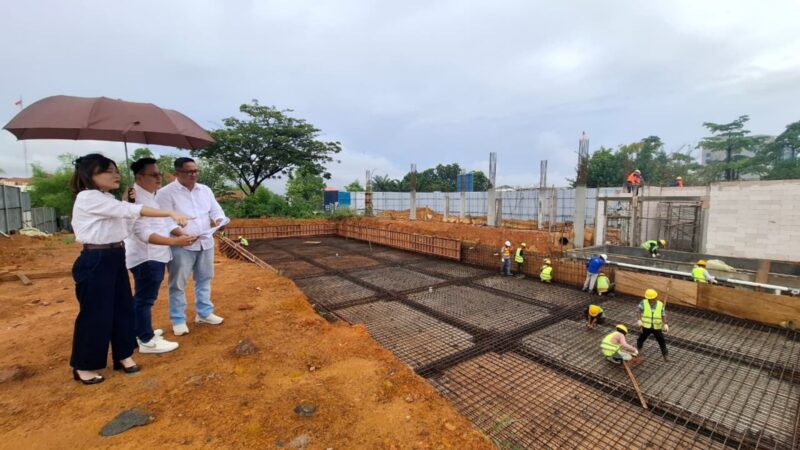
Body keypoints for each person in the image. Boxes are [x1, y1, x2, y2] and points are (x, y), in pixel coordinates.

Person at [69, 154, 189, 384]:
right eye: (108, 171)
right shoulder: (88, 197)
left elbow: (126, 225)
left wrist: (128, 205)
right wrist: (169, 212)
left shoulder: (109, 199)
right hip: (96, 258)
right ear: (90, 175)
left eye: (116, 170)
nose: (116, 175)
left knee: (122, 308)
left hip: (115, 255)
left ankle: (123, 355)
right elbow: (132, 212)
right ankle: (84, 365)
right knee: (96, 313)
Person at [125, 158, 197, 354]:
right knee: (145, 299)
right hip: (147, 257)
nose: (159, 178)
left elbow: (160, 225)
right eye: (153, 175)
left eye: (159, 174)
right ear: (139, 177)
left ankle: (141, 331)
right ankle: (146, 340)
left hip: (155, 256)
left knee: (145, 297)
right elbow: (143, 233)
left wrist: (177, 233)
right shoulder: (136, 200)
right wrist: (174, 242)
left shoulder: (150, 196)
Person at [157, 157, 228, 336]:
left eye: (195, 171)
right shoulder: (165, 193)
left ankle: (204, 313)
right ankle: (178, 319)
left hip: (205, 242)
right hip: (182, 245)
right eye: (188, 172)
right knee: (178, 283)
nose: (193, 174)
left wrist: (219, 220)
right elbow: (164, 219)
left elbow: (216, 210)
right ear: (177, 173)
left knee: (204, 279)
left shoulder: (205, 190)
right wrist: (181, 235)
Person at [636, 288, 670, 362]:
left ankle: (665, 355)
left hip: (656, 327)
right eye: (650, 299)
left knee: (661, 341)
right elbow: (638, 311)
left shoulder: (660, 304)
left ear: (656, 297)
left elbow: (663, 314)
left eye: (653, 298)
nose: (651, 300)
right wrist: (639, 320)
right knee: (641, 339)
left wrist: (665, 324)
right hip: (646, 326)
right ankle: (639, 349)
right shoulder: (643, 302)